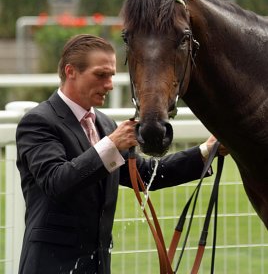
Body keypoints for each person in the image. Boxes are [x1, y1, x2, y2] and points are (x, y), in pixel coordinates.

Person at [16, 34, 227, 274]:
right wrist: (111, 145)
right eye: (101, 75)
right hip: (49, 266)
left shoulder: (105, 124)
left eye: (112, 75)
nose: (110, 84)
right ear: (70, 71)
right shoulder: (38, 122)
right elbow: (56, 181)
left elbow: (147, 175)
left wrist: (205, 152)